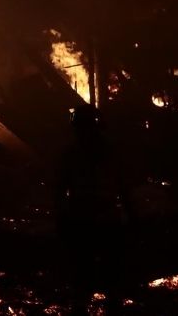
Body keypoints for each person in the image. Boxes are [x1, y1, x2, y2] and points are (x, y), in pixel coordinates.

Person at [55, 105, 134, 313]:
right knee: (109, 270)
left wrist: (61, 217)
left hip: (83, 218)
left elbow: (60, 189)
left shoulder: (71, 154)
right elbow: (124, 187)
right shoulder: (110, 152)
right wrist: (132, 215)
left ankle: (85, 305)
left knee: (83, 269)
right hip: (105, 218)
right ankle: (110, 304)